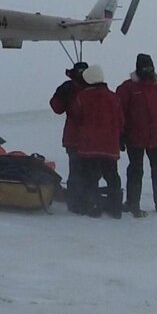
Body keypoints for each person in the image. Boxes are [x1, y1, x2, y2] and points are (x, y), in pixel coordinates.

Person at [117, 53, 157, 216]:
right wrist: (120, 135)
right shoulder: (127, 88)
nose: (148, 70)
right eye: (144, 67)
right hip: (135, 138)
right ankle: (132, 202)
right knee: (136, 171)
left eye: (150, 67)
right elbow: (119, 113)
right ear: (138, 68)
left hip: (156, 138)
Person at [67, 64, 124, 218]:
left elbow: (76, 117)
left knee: (91, 177)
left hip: (90, 146)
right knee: (112, 176)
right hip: (110, 146)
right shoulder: (114, 98)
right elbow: (120, 121)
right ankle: (116, 207)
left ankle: (94, 206)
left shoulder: (82, 97)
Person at [51, 61, 90, 214]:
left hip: (75, 137)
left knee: (77, 170)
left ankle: (76, 202)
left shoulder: (70, 87)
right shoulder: (91, 86)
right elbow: (57, 107)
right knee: (85, 170)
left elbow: (56, 107)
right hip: (85, 137)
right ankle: (82, 201)